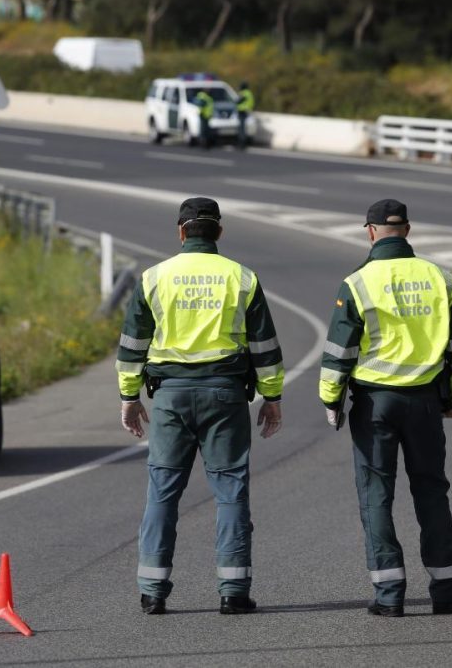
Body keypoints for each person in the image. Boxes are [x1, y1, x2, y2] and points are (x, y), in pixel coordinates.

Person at [117, 197, 285, 616]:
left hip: (171, 396)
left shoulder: (154, 277)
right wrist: (272, 397)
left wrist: (128, 395)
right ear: (219, 233)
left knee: (163, 493)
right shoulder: (242, 278)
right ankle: (233, 590)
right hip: (225, 395)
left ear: (180, 232)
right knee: (230, 492)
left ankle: (152, 591)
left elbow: (133, 344)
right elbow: (265, 347)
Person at [319, 198, 452, 618]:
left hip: (375, 405)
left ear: (369, 231)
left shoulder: (357, 283)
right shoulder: (441, 278)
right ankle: (446, 592)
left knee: (376, 496)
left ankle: (389, 596)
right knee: (432, 492)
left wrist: (331, 400)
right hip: (425, 402)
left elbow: (339, 352)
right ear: (408, 230)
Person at [235, 82, 255, 150]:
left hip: (242, 111)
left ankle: (241, 144)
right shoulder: (249, 93)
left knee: (241, 129)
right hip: (247, 111)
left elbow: (238, 101)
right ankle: (243, 143)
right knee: (243, 128)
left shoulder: (244, 93)